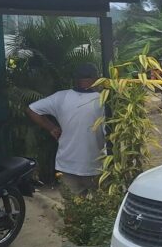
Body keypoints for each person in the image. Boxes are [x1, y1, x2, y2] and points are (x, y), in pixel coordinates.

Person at [26, 63, 105, 194]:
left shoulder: (61, 97)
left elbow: (31, 109)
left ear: (76, 79)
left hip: (67, 165)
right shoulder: (103, 100)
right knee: (99, 210)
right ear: (95, 79)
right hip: (95, 166)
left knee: (71, 211)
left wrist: (52, 128)